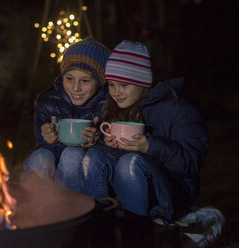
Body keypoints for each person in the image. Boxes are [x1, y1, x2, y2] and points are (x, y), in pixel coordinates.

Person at [82, 40, 209, 221]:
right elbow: (112, 157)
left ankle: (136, 235)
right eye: (111, 84)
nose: (116, 92)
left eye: (124, 85)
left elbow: (190, 163)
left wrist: (149, 146)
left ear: (143, 82)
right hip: (131, 184)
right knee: (93, 158)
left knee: (130, 162)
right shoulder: (113, 107)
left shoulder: (179, 110)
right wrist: (104, 143)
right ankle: (101, 229)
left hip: (172, 191)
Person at [22, 37, 111, 193]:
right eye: (69, 79)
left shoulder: (108, 105)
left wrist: (97, 141)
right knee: (40, 156)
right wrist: (50, 139)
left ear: (100, 81)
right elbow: (42, 146)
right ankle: (28, 207)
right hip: (55, 165)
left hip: (85, 174)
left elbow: (112, 154)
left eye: (85, 81)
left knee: (72, 154)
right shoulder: (47, 101)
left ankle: (69, 210)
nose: (76, 88)